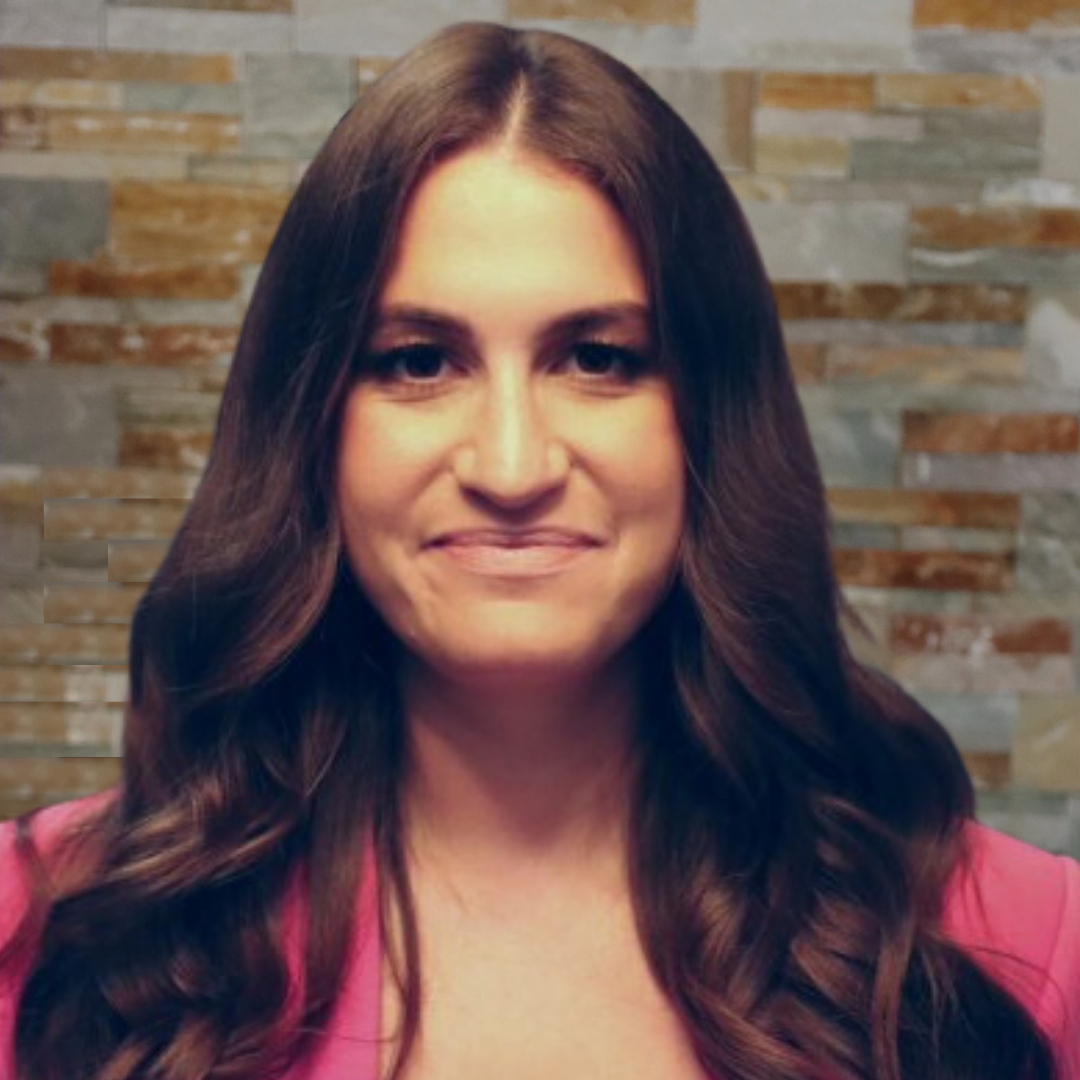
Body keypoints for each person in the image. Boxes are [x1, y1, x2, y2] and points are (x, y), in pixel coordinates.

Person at [1, 20, 1078, 1080]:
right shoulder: (51, 938)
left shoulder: (1025, 950)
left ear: (714, 417)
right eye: (418, 360)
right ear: (310, 423)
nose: (511, 467)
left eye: (600, 358)